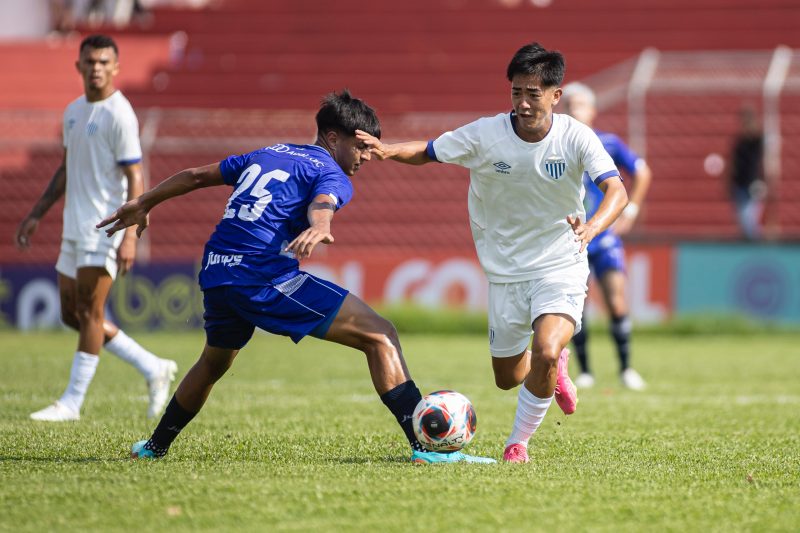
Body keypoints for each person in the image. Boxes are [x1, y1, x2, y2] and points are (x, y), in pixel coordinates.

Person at [98, 90, 495, 464]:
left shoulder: (266, 152)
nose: (365, 157)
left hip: (217, 269)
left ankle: (154, 446)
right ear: (332, 136)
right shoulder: (331, 171)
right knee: (381, 335)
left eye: (372, 148)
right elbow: (324, 203)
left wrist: (144, 202)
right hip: (261, 275)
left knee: (214, 361)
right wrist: (320, 225)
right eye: (360, 146)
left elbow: (196, 175)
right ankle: (427, 448)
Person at [355, 43, 629, 464]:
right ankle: (554, 372)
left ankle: (517, 444)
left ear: (555, 95)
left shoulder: (576, 136)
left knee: (547, 349)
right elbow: (429, 152)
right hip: (504, 273)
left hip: (561, 262)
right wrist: (389, 150)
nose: (522, 102)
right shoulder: (485, 135)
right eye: (516, 91)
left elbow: (617, 189)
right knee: (507, 378)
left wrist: (592, 227)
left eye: (532, 94)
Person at [15, 34, 177, 422]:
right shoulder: (73, 112)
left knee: (90, 312)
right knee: (71, 315)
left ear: (116, 68)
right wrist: (37, 212)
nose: (97, 68)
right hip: (73, 226)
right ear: (79, 66)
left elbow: (135, 176)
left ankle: (72, 402)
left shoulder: (119, 113)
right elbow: (66, 169)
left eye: (104, 62)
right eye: (90, 61)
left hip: (104, 228)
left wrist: (131, 236)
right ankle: (153, 367)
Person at [560, 82, 652, 391]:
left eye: (581, 105)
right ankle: (585, 371)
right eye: (570, 105)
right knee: (578, 308)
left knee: (616, 300)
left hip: (603, 236)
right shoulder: (555, 145)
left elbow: (642, 170)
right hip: (571, 239)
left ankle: (626, 368)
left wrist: (632, 209)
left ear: (592, 110)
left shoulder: (608, 143)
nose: (575, 110)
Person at [728, 105, 766, 240]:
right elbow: (732, 163)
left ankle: (756, 244)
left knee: (750, 219)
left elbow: (764, 162)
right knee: (743, 220)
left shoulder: (758, 141)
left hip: (754, 184)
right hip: (740, 184)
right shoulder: (739, 142)